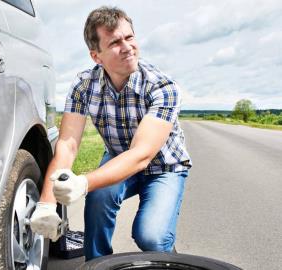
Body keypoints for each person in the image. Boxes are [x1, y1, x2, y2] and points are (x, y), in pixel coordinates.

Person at [30, 6, 192, 261]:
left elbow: (142, 155)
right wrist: (47, 203)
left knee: (150, 236)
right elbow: (67, 145)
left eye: (129, 37)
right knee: (98, 197)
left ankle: (169, 259)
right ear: (96, 56)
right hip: (117, 156)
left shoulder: (162, 87)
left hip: (165, 167)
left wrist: (83, 182)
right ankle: (96, 264)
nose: (127, 47)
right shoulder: (84, 86)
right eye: (115, 42)